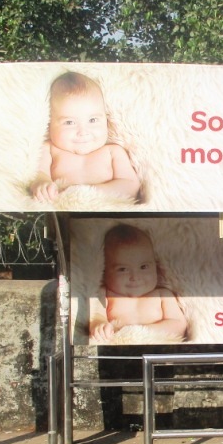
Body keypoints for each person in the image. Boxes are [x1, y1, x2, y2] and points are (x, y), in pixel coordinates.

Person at [30, 72, 141, 203]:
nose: (83, 132)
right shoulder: (49, 149)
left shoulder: (113, 152)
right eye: (69, 122)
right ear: (49, 123)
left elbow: (131, 186)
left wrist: (90, 192)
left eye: (93, 120)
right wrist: (41, 184)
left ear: (106, 120)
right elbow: (37, 175)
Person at [89, 225, 188, 343]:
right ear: (104, 270)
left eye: (143, 267)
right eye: (123, 269)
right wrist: (99, 326)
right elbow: (95, 316)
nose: (135, 277)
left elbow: (179, 324)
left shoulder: (162, 295)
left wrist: (144, 331)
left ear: (156, 266)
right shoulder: (105, 294)